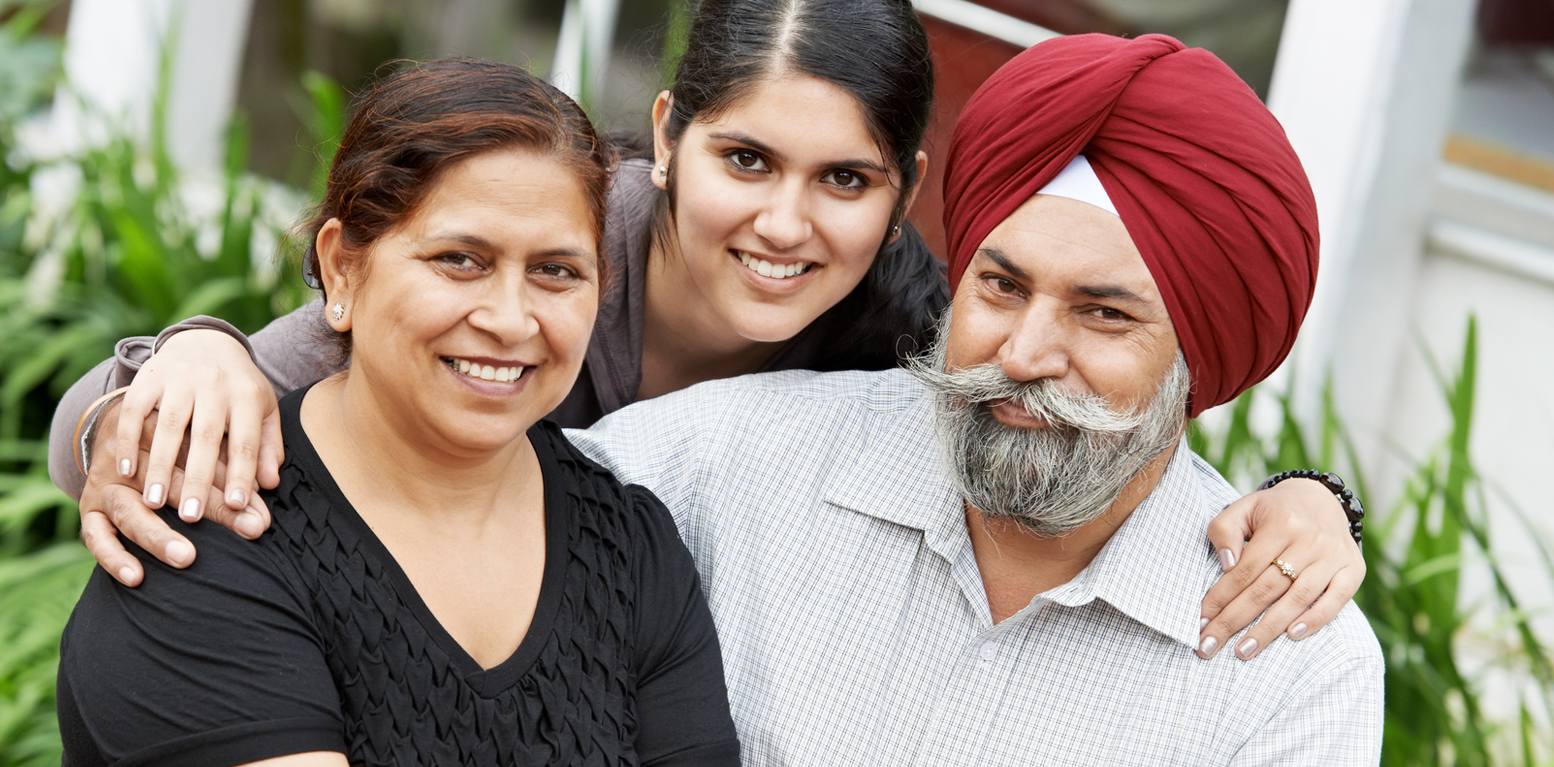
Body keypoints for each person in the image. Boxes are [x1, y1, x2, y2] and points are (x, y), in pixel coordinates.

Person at [58, 0, 1363, 660]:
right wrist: (193, 356)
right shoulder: (552, 258)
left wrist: (1313, 501)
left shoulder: (902, 337)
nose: (786, 224)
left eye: (843, 181)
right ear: (671, 132)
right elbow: (124, 430)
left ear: (904, 189)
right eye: (747, 158)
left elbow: (1084, 433)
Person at [569, 33, 1383, 762]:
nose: (1022, 354)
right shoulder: (714, 464)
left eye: (1103, 313)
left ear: (1197, 359)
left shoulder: (1293, 666)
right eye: (1000, 286)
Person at [57, 58, 740, 766]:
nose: (511, 319)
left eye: (556, 271)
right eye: (460, 259)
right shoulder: (213, 536)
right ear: (342, 268)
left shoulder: (633, 548)